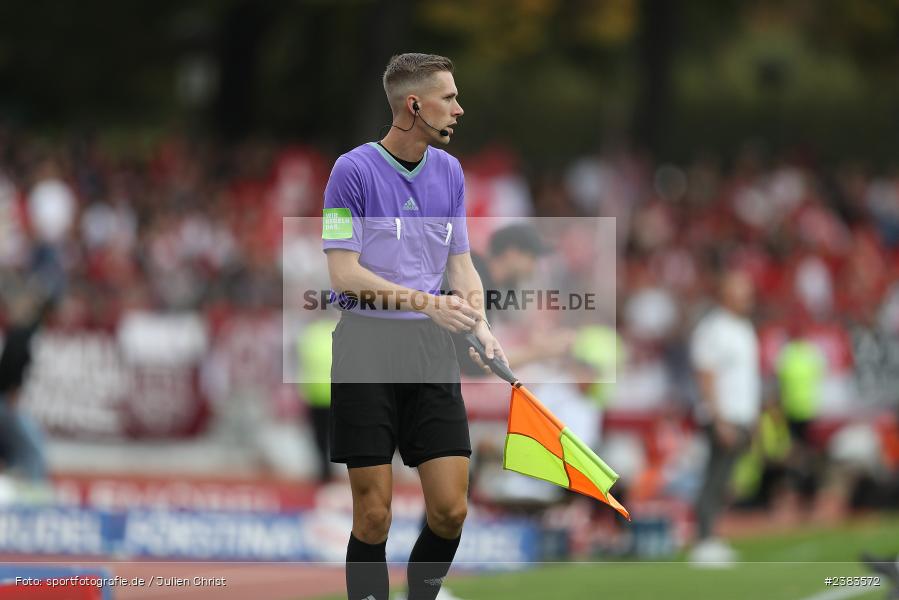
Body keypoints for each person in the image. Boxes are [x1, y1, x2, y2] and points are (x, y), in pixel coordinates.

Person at [322, 53, 505, 600]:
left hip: (429, 350)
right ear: (413, 104)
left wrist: (481, 324)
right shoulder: (350, 171)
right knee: (373, 514)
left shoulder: (450, 172)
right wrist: (429, 304)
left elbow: (461, 264)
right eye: (448, 98)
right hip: (366, 347)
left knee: (450, 510)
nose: (458, 108)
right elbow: (343, 273)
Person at [689, 269, 760, 565]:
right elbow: (706, 376)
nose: (748, 299)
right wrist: (719, 419)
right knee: (715, 477)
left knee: (727, 479)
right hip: (724, 417)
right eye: (742, 292)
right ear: (727, 295)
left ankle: (714, 535)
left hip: (741, 415)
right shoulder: (713, 329)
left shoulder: (744, 328)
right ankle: (703, 539)